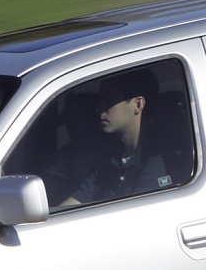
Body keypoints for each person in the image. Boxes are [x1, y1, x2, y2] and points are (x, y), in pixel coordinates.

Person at [57, 68, 173, 208]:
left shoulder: (160, 159)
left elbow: (136, 215)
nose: (98, 108)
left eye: (109, 100)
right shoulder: (111, 157)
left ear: (137, 105)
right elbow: (77, 200)